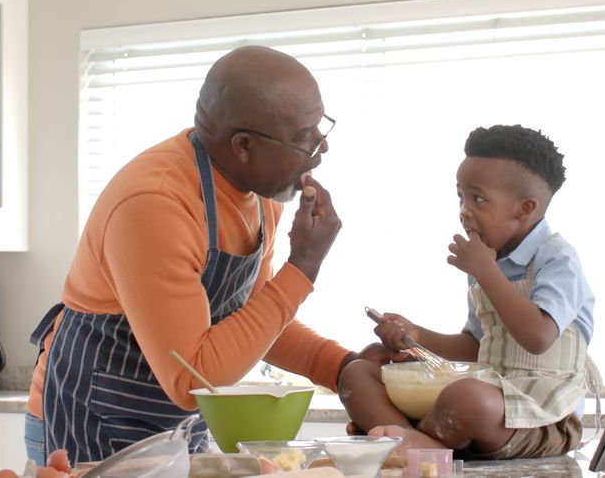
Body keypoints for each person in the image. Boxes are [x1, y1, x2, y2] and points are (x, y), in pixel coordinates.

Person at [25, 46, 405, 466]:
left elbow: (250, 321)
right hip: (90, 421)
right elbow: (192, 378)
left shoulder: (261, 195)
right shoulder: (155, 204)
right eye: (304, 136)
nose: (320, 147)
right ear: (243, 145)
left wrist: (341, 365)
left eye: (320, 127)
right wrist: (304, 267)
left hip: (175, 426)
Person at [338, 124, 598, 460]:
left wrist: (485, 271)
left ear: (525, 208)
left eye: (477, 198)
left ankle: (408, 441)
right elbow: (475, 348)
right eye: (460, 197)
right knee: (360, 371)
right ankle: (414, 442)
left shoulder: (558, 258)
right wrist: (417, 336)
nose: (464, 210)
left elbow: (538, 336)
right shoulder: (487, 262)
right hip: (485, 396)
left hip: (540, 415)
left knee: (467, 399)